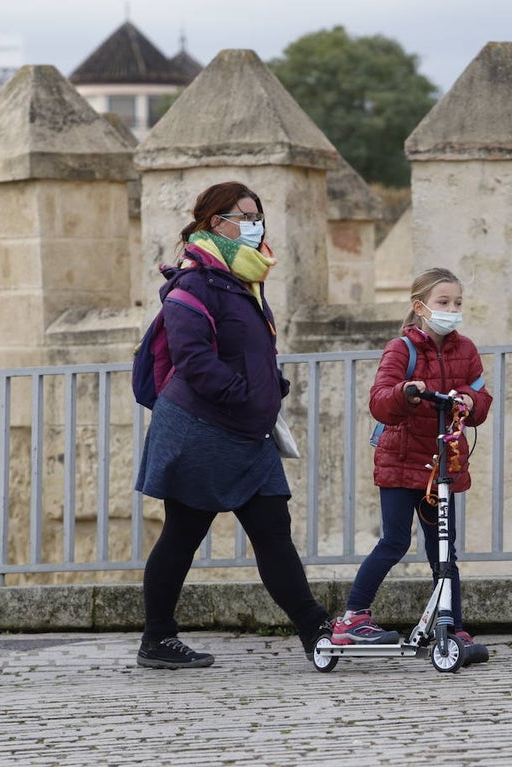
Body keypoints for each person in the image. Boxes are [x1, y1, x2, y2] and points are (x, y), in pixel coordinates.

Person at [135, 181, 331, 669]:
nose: (255, 225)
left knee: (272, 529)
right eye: (244, 216)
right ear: (214, 222)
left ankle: (316, 630)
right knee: (183, 533)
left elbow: (245, 350)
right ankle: (157, 639)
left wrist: (270, 386)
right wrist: (244, 394)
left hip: (245, 430)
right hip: (200, 429)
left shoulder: (242, 281)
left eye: (258, 215)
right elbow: (194, 360)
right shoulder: (194, 284)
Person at [333, 267, 493, 663]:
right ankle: (353, 617)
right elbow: (380, 400)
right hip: (402, 462)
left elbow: (480, 397)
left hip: (442, 464)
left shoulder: (466, 350)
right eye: (443, 302)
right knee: (394, 541)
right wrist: (407, 393)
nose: (451, 309)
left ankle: (450, 625)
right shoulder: (401, 348)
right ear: (420, 307)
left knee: (444, 550)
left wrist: (473, 404)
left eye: (457, 303)